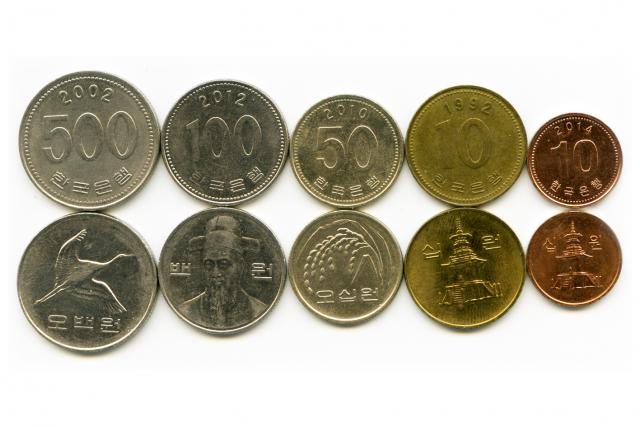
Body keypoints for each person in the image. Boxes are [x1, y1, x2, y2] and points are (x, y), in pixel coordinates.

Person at [179, 215, 266, 328]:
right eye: (209, 265)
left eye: (223, 264)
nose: (215, 273)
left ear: (240, 266)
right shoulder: (187, 310)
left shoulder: (257, 310)